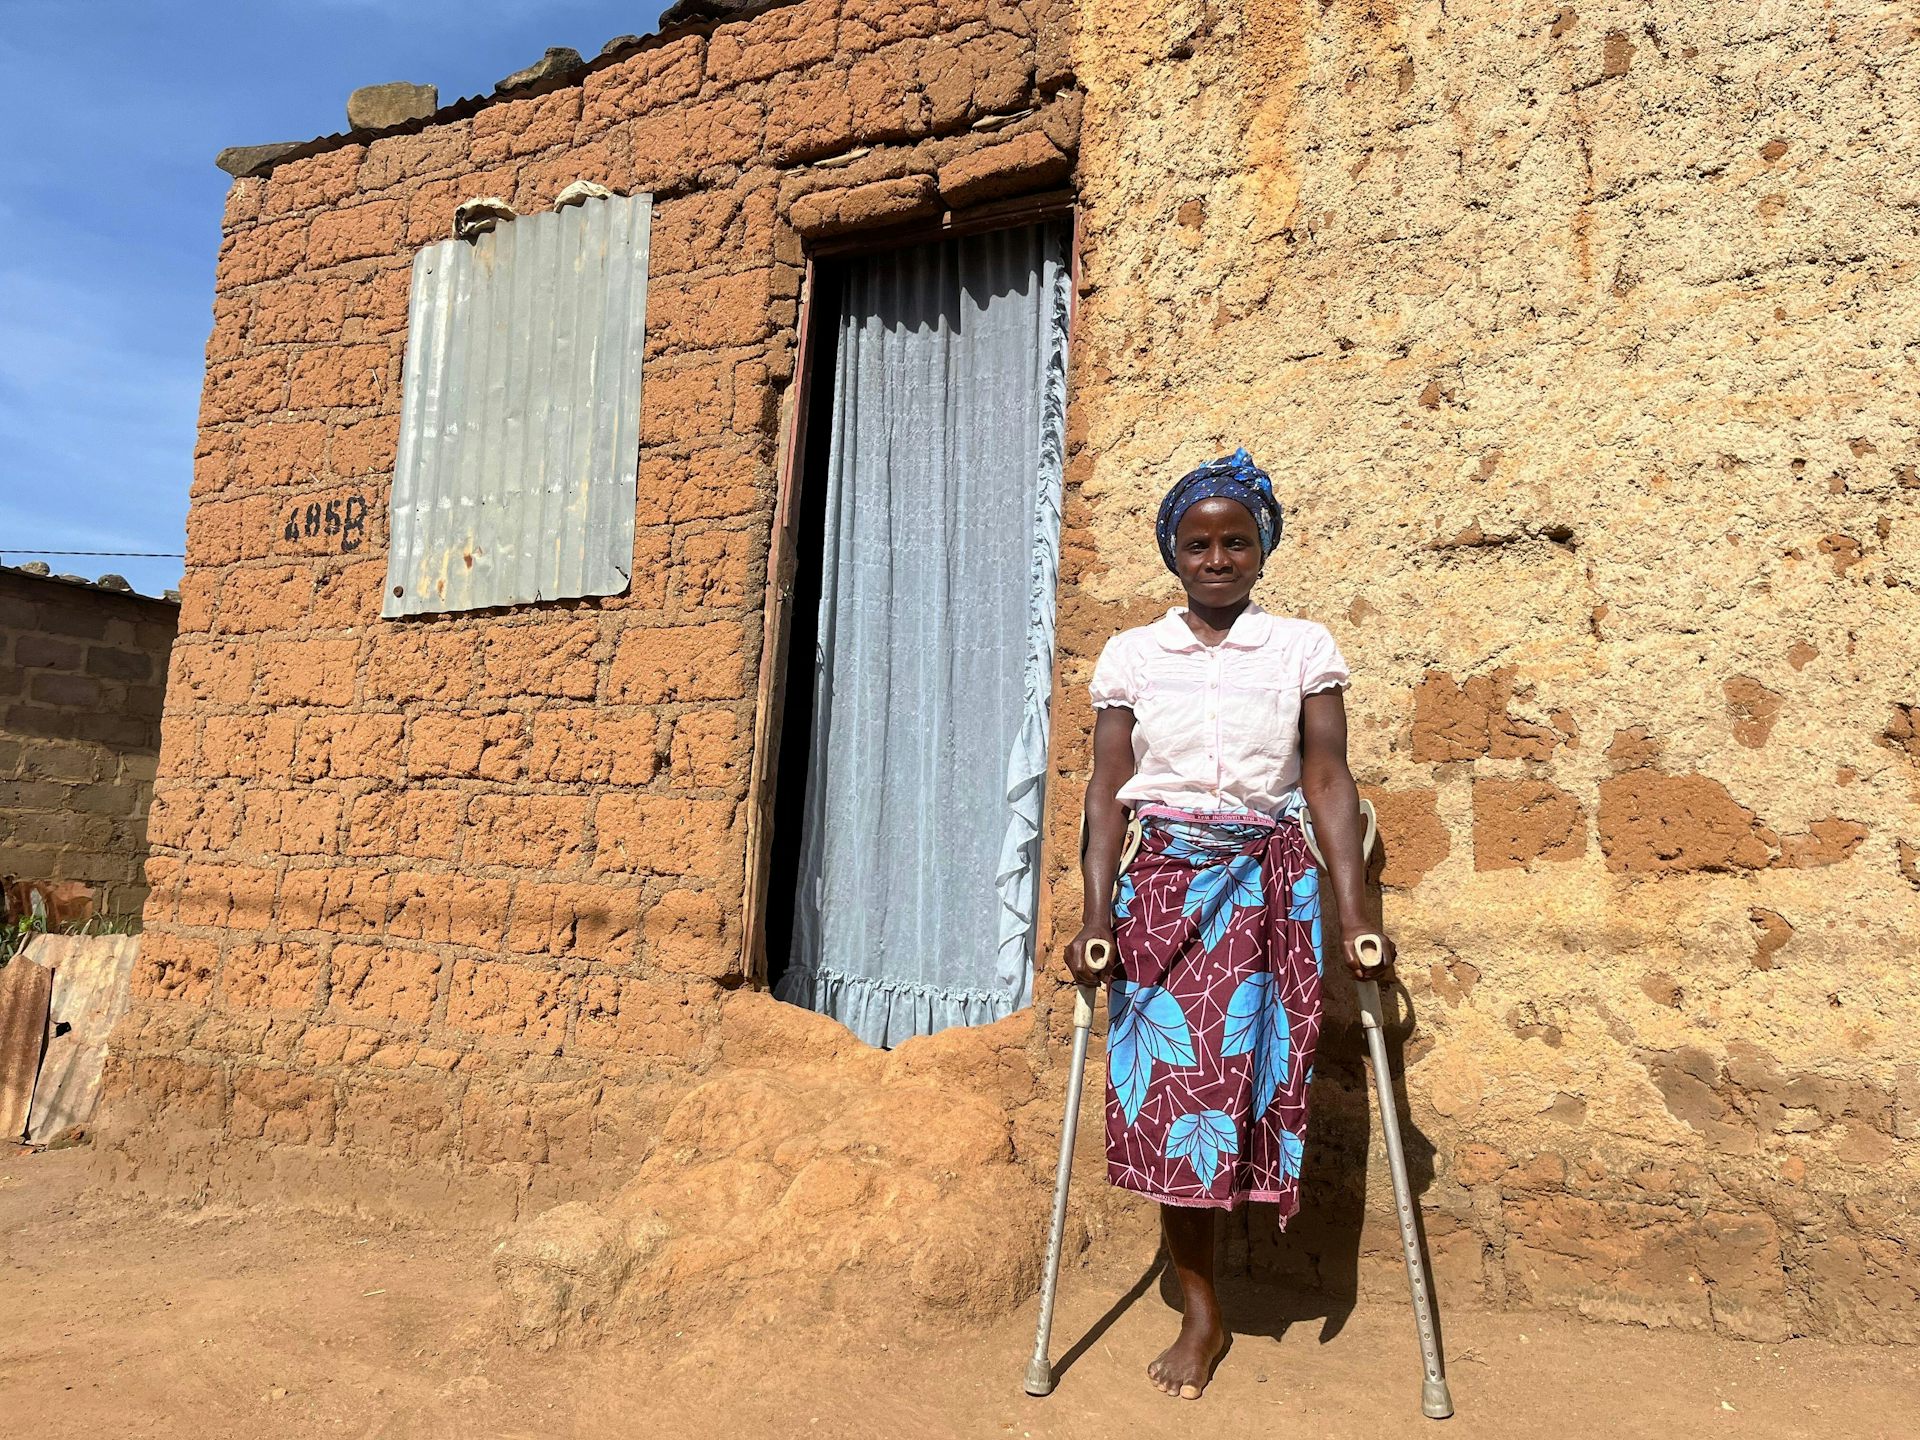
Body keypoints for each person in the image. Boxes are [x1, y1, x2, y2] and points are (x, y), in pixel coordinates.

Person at [1063, 448, 1396, 1400]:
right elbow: (1105, 795)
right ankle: (1201, 1311)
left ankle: (1244, 1277)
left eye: (1236, 542)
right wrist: (1095, 914)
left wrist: (1355, 912)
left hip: (1268, 886)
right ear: (1173, 551)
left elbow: (1327, 778)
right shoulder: (1132, 656)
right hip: (1165, 887)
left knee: (1251, 1088)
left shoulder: (1301, 649)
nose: (1218, 559)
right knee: (1178, 1102)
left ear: (1262, 550)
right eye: (1199, 543)